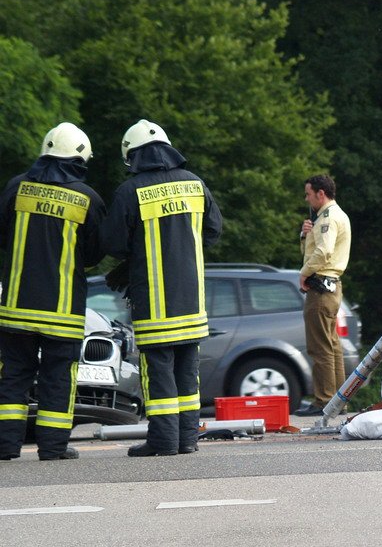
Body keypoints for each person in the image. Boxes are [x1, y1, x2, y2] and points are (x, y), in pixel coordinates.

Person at [101, 120, 222, 456]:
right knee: (187, 373)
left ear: (134, 156)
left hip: (155, 303)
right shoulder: (195, 184)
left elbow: (112, 242)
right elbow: (212, 231)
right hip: (192, 301)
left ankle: (163, 441)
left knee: (158, 374)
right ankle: (186, 440)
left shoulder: (130, 191)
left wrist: (135, 257)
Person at [0, 123, 105, 460]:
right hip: (63, 311)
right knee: (58, 378)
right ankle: (53, 448)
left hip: (16, 306)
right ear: (80, 158)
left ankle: (5, 446)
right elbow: (94, 253)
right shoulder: (87, 199)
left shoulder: (17, 188)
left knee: (14, 374)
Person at [294, 174, 351, 417]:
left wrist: (304, 274)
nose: (306, 198)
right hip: (331, 286)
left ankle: (324, 400)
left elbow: (324, 252)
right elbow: (314, 250)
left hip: (320, 288)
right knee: (332, 346)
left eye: (308, 194)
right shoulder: (330, 217)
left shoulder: (328, 218)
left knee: (320, 348)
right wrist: (305, 235)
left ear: (320, 193)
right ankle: (338, 400)